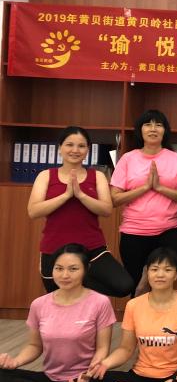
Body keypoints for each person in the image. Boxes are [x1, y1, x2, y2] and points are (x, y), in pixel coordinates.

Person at [0, 244, 115, 382]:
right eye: (59, 268)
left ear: (86, 269)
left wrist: (87, 376)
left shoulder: (100, 302)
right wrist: (16, 361)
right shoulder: (39, 304)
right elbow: (34, 345)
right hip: (49, 379)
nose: (64, 275)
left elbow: (102, 349)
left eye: (73, 269)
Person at [86, 247, 177, 382]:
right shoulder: (134, 305)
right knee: (96, 380)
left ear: (176, 274)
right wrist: (105, 364)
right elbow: (126, 349)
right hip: (140, 377)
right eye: (154, 269)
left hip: (173, 379)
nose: (160, 274)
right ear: (147, 273)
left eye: (167, 270)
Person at [28, 126, 134, 297]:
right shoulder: (45, 175)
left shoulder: (97, 176)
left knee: (124, 286)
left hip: (92, 249)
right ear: (60, 148)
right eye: (69, 145)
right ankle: (77, 286)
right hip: (54, 248)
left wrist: (80, 195)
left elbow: (106, 210)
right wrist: (66, 196)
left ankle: (79, 284)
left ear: (87, 150)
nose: (75, 150)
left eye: (81, 146)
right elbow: (33, 211)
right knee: (58, 296)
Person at [110, 109, 177, 295]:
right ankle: (143, 281)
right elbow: (115, 198)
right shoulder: (128, 158)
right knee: (136, 290)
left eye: (158, 125)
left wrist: (159, 188)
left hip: (168, 229)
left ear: (165, 131)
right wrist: (144, 188)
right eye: (148, 124)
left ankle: (148, 271)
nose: (153, 129)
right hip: (134, 231)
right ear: (140, 130)